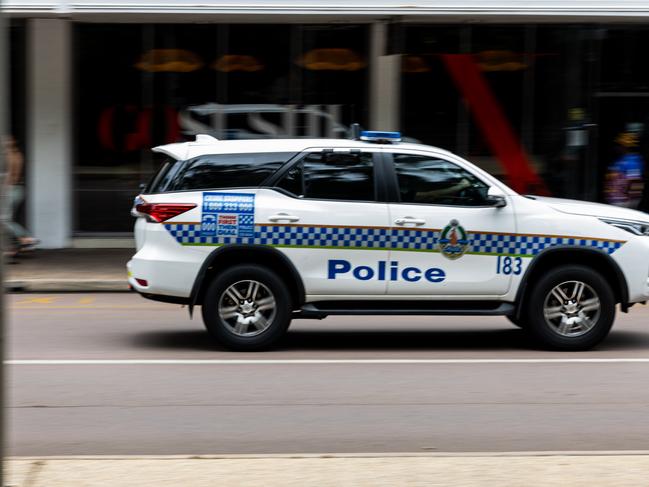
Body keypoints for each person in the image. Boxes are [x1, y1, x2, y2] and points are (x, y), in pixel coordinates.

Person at [2, 136, 38, 257]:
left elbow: (9, 176)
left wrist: (3, 191)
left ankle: (26, 238)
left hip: (11, 190)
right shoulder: (18, 155)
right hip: (17, 189)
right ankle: (14, 246)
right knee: (6, 220)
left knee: (4, 220)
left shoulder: (9, 156)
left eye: (5, 140)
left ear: (12, 142)